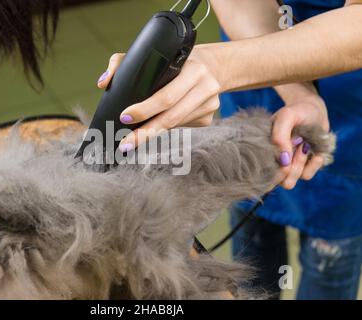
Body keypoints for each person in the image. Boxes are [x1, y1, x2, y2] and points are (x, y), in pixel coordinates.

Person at [97, 0, 362, 299]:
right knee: (252, 259)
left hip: (348, 108)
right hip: (252, 92)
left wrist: (220, 65)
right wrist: (300, 93)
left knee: (328, 264)